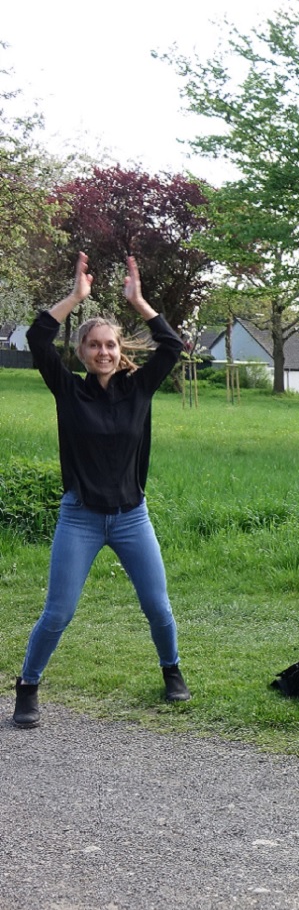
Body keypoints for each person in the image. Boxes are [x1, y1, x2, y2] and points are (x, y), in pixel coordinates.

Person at [12, 253, 189, 728]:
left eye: (110, 345)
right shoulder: (69, 390)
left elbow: (172, 347)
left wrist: (140, 302)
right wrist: (75, 297)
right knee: (58, 612)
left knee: (158, 606)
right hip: (81, 517)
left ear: (119, 349)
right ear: (82, 352)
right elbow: (37, 336)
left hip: (132, 517)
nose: (104, 352)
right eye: (94, 346)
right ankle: (27, 687)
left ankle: (171, 671)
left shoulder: (139, 388)